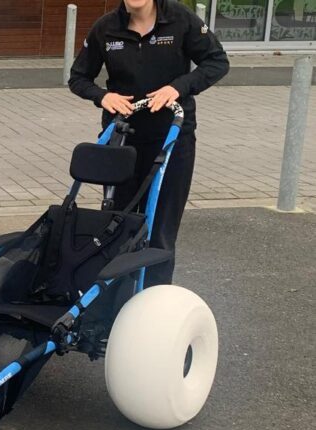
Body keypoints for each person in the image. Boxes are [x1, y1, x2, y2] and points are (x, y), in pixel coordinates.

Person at [69, 0, 229, 286]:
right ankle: (112, 305)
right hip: (123, 143)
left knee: (161, 231)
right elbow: (78, 78)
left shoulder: (181, 20)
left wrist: (177, 88)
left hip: (171, 141)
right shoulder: (105, 29)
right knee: (118, 225)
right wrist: (102, 96)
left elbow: (217, 62)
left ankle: (154, 304)